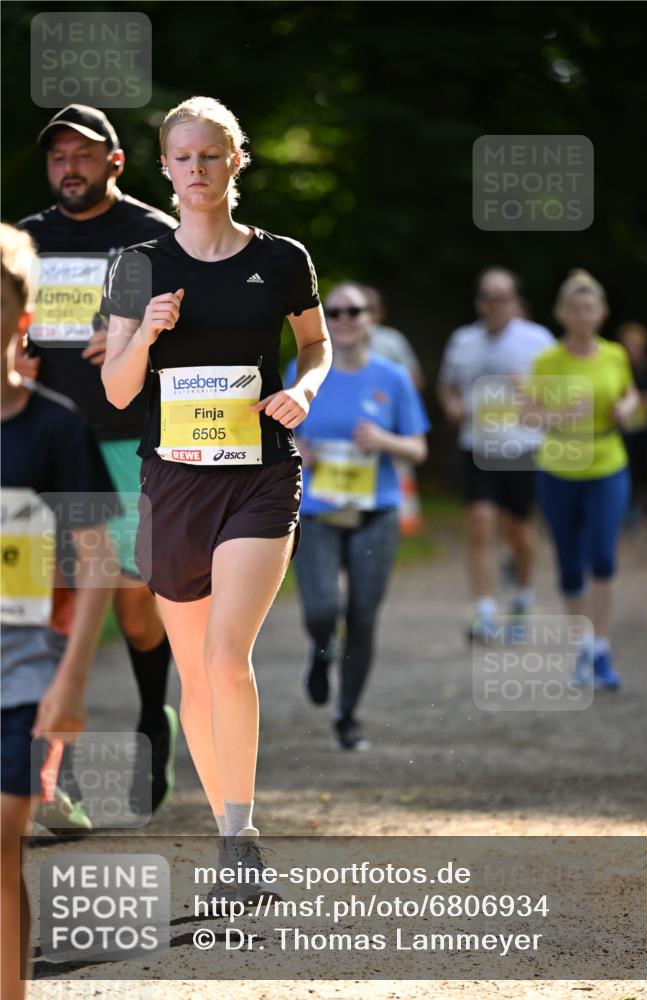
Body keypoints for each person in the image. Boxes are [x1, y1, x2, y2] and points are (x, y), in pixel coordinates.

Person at [100, 96, 331, 901]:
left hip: (260, 475)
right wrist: (144, 334)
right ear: (164, 169)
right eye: (182, 157)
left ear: (237, 161)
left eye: (211, 155)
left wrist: (304, 389)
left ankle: (241, 841)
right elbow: (120, 389)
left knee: (227, 657)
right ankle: (228, 831)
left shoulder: (282, 258)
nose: (196, 170)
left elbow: (315, 343)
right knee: (195, 675)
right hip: (172, 480)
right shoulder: (138, 264)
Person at [14, 104, 180, 820]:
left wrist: (134, 337)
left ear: (114, 161)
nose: (69, 168)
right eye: (58, 157)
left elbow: (195, 332)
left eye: (84, 155)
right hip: (39, 443)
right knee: (42, 604)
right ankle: (57, 775)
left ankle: (152, 721)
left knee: (133, 601)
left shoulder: (153, 235)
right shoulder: (24, 240)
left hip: (122, 438)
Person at [1, 223, 117, 1000]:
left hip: (22, 671)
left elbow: (101, 562)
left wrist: (71, 682)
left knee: (2, 843)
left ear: (22, 318)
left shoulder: (55, 429)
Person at [286, 282, 429, 750]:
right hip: (317, 511)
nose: (345, 319)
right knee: (322, 606)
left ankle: (347, 715)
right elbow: (277, 436)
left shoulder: (393, 378)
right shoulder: (303, 370)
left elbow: (418, 447)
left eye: (356, 311)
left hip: (375, 512)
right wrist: (295, 450)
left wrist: (384, 442)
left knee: (364, 616)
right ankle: (320, 649)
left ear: (373, 317)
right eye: (337, 311)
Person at [528, 270, 638, 688]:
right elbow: (527, 415)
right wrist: (559, 416)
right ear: (562, 313)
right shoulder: (548, 361)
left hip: (608, 462)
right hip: (559, 466)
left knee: (603, 555)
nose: (582, 315)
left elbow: (626, 392)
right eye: (574, 307)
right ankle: (582, 646)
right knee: (570, 561)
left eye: (590, 307)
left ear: (602, 312)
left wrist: (627, 406)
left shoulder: (614, 355)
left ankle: (602, 648)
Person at [437, 267, 554, 640]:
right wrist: (453, 407)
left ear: (515, 300)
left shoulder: (537, 340)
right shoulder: (463, 340)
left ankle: (521, 596)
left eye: (503, 296)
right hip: (476, 445)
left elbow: (559, 398)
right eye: (489, 296)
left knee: (519, 531)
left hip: (522, 448)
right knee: (480, 525)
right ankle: (484, 610)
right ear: (479, 301)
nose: (496, 304)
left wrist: (529, 396)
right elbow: (447, 387)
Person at [363, 284, 426, 535]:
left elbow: (415, 379)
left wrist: (388, 398)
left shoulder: (391, 340)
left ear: (380, 312)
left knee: (397, 474)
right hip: (350, 434)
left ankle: (399, 525)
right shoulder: (335, 339)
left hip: (388, 428)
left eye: (369, 308)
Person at [617, 322, 647, 523]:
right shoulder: (619, 364)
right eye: (627, 343)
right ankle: (630, 505)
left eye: (634, 343)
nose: (631, 347)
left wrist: (641, 399)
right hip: (626, 426)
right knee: (630, 464)